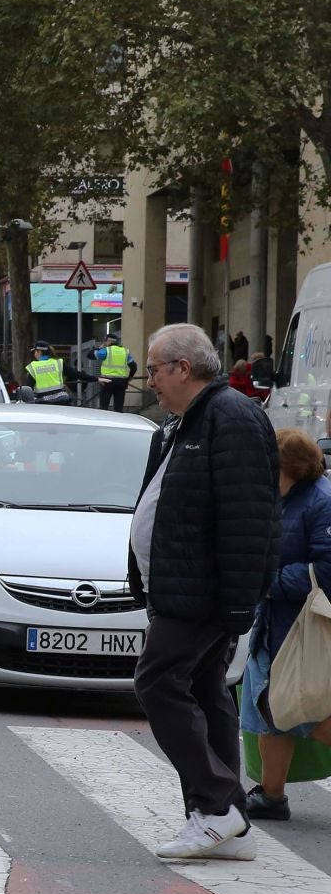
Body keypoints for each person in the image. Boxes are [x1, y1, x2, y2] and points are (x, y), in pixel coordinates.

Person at [129, 323, 280, 860]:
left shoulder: (231, 418)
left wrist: (238, 603)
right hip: (181, 586)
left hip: (202, 592)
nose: (150, 381)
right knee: (205, 689)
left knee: (157, 683)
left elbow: (248, 519)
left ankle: (218, 806)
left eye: (154, 370)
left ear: (182, 369)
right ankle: (220, 818)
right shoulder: (181, 422)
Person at [238, 429, 331, 820]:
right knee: (267, 709)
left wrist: (269, 583)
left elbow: (327, 568)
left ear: (287, 466)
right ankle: (271, 796)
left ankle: (272, 796)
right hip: (276, 624)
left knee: (305, 710)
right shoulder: (284, 497)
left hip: (305, 627)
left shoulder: (320, 502)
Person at [94, 334, 135, 412]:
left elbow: (90, 355)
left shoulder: (106, 351)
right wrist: (128, 379)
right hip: (121, 382)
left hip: (107, 382)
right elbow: (134, 367)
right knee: (119, 409)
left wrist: (98, 348)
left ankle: (103, 422)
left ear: (109, 341)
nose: (105, 343)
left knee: (103, 408)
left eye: (105, 341)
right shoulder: (125, 351)